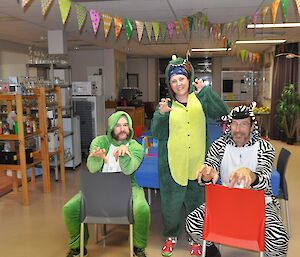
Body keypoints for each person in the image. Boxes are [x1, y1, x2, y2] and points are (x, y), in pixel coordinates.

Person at [186, 102, 289, 257]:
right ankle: (213, 253)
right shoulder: (219, 145)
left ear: (252, 126)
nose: (238, 129)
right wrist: (208, 173)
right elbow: (211, 167)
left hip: (260, 202)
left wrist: (250, 174)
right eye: (234, 124)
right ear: (229, 125)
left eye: (244, 124)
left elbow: (264, 177)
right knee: (193, 222)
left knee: (279, 238)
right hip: (227, 201)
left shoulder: (264, 147)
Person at [151, 55, 228, 257]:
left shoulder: (201, 99)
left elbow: (223, 112)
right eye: (174, 80)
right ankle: (171, 237)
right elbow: (158, 134)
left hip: (198, 165)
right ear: (169, 84)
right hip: (171, 165)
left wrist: (206, 92)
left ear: (189, 78)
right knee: (170, 206)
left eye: (181, 79)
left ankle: (196, 239)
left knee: (197, 205)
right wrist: (162, 115)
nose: (178, 84)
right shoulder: (166, 105)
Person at [63, 111, 150, 257]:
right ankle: (77, 247)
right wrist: (97, 159)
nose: (123, 129)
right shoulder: (100, 142)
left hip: (129, 186)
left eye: (125, 125)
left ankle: (138, 247)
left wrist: (124, 155)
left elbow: (129, 170)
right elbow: (92, 168)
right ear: (111, 128)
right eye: (118, 125)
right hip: (100, 186)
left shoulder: (136, 147)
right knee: (69, 209)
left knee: (142, 210)